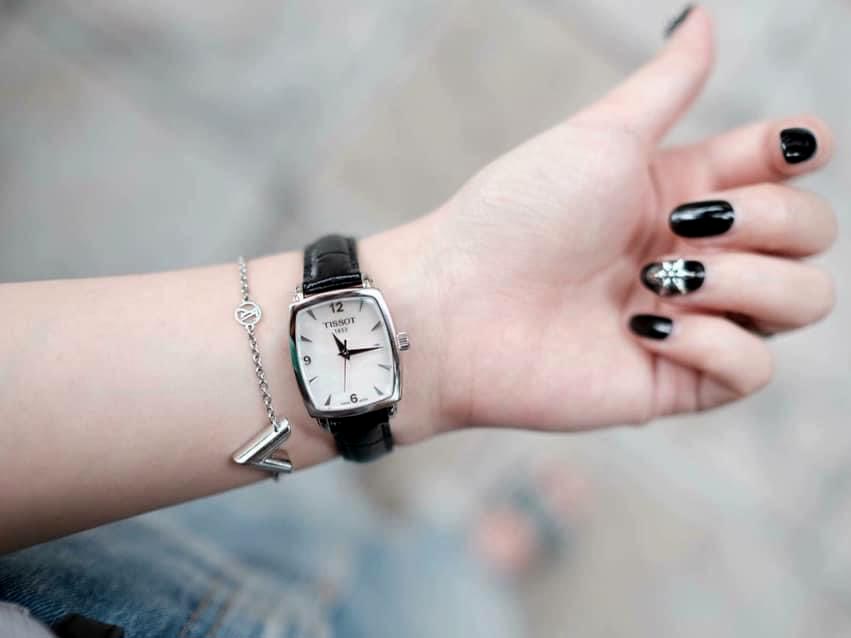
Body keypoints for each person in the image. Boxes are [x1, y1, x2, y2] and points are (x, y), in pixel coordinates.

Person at [0, 6, 837, 637]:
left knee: (291, 516)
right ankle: (462, 560)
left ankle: (447, 553)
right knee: (440, 602)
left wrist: (438, 322)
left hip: (135, 503)